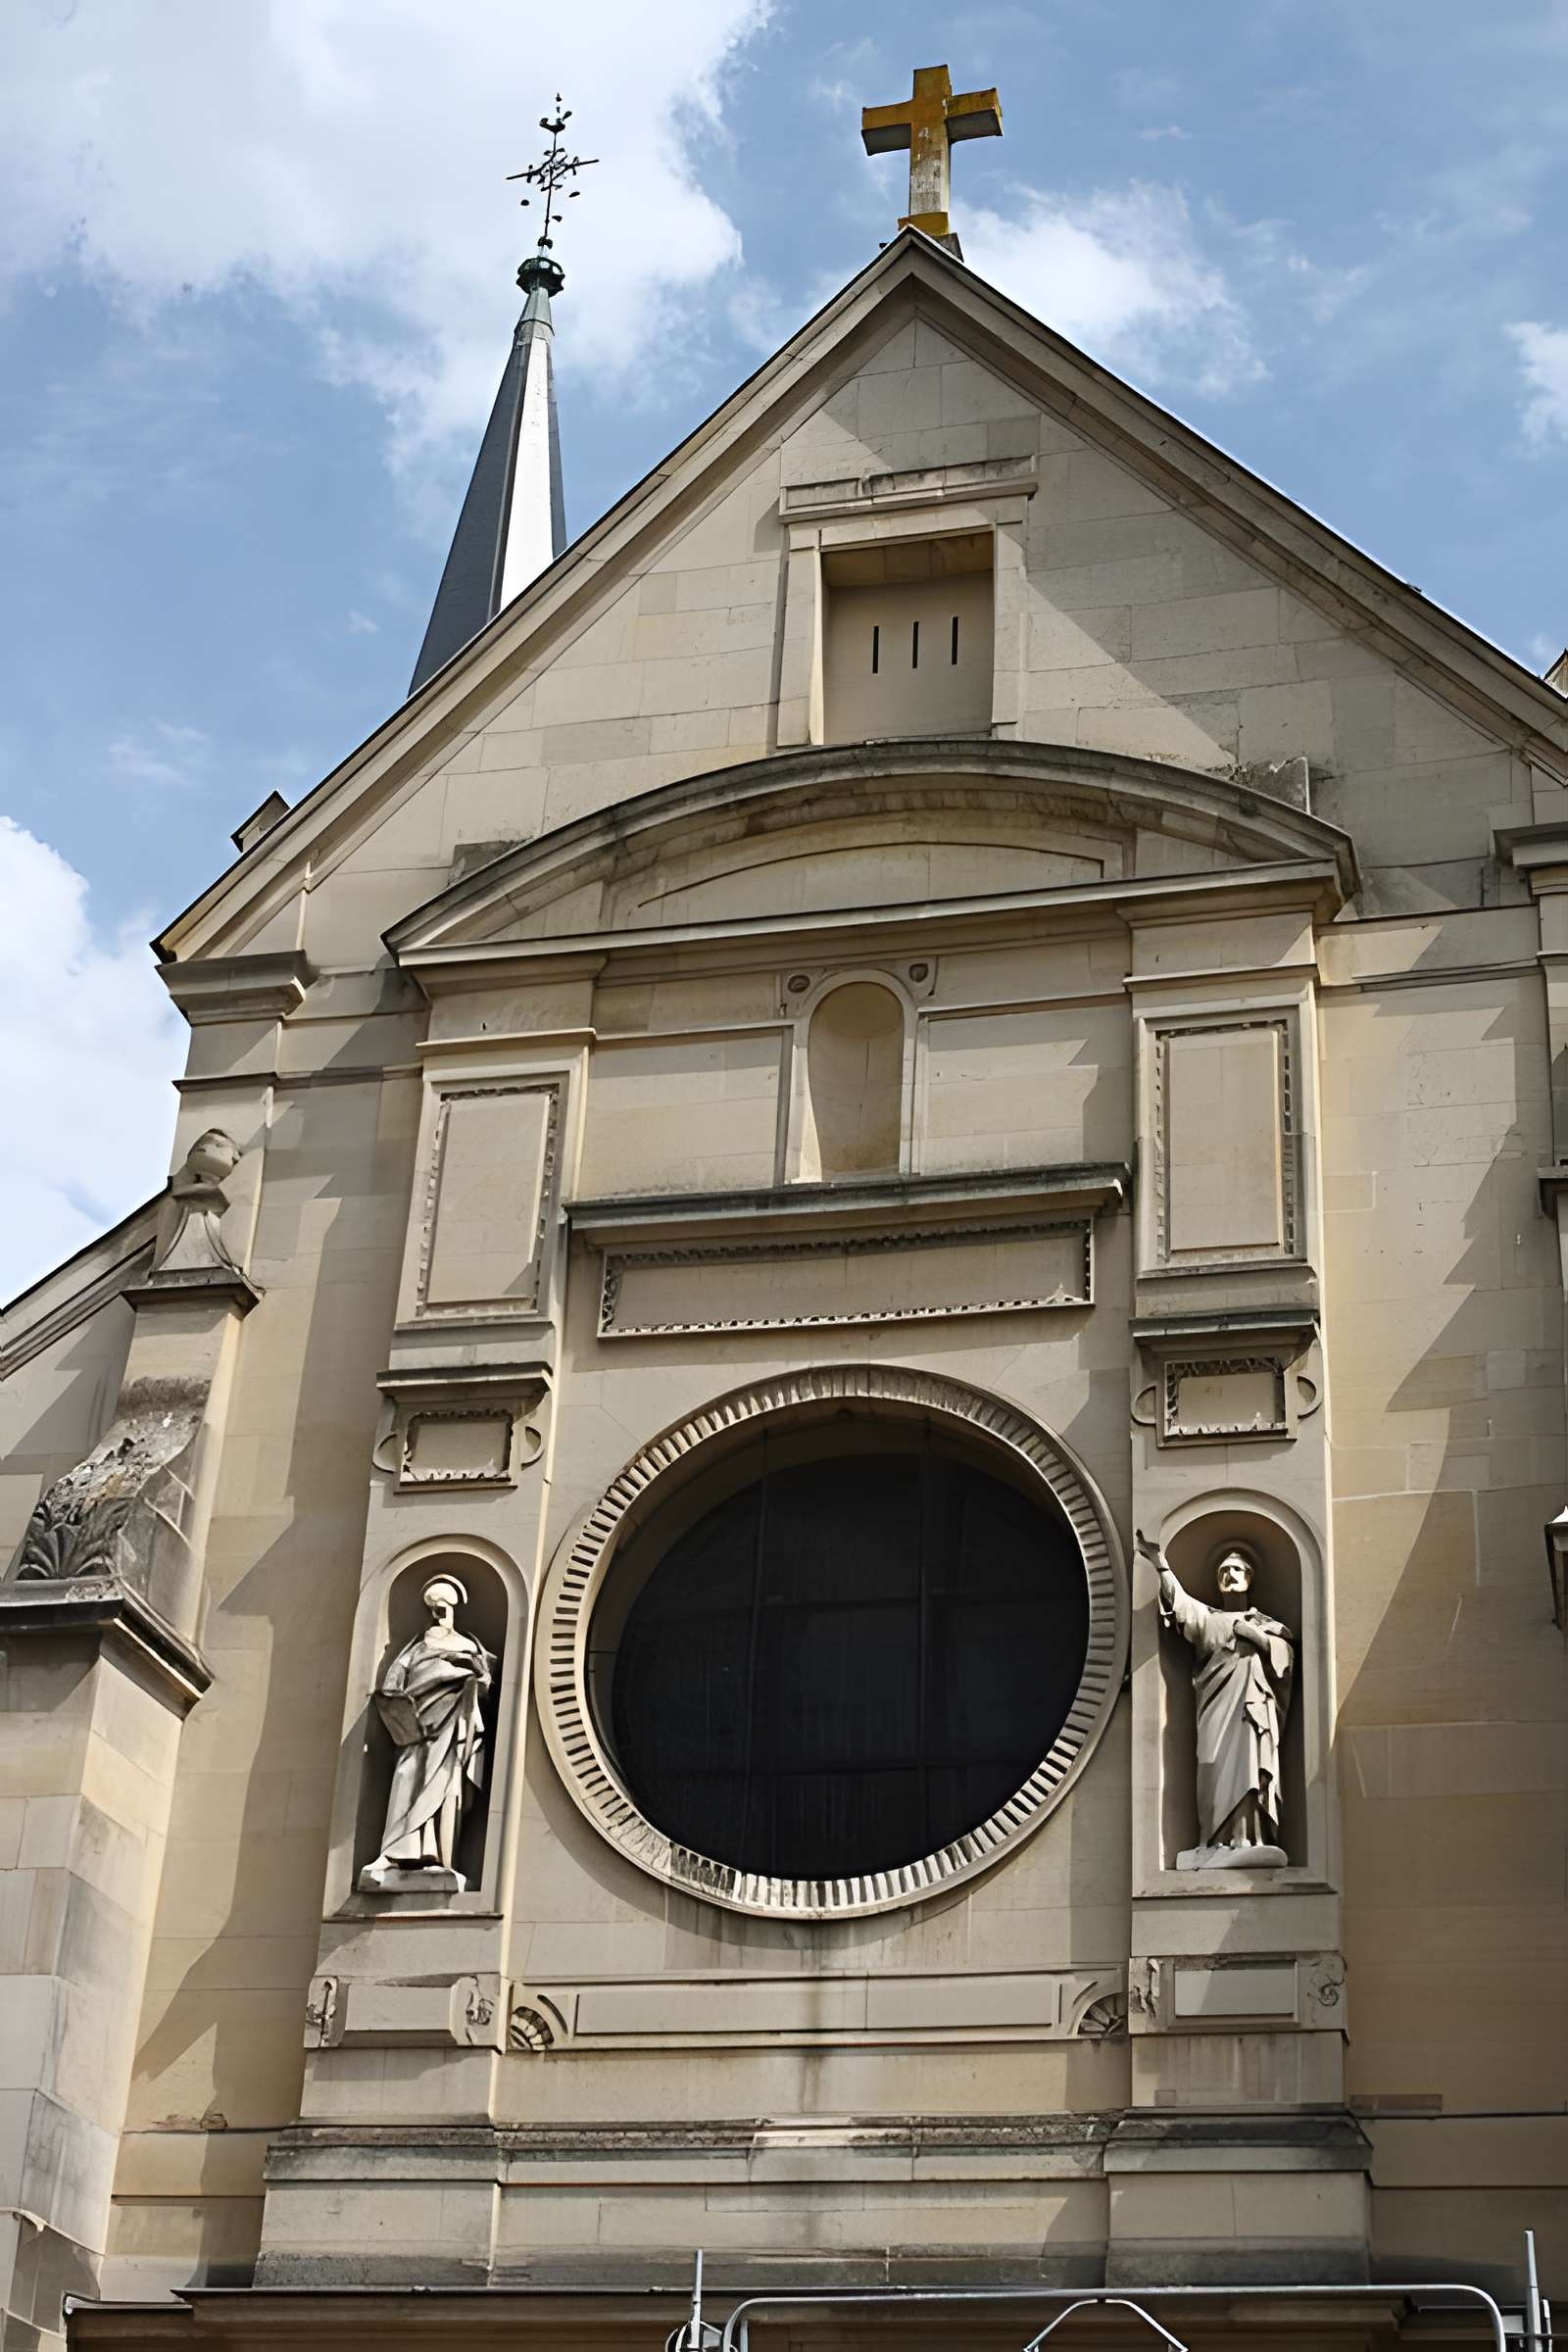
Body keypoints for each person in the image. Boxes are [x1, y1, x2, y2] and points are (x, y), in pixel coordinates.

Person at [1136, 1531, 1294, 1858]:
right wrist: (1161, 1564)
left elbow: (1285, 1659)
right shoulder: (1210, 1621)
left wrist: (1257, 1638)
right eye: (1223, 1572)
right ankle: (1213, 1843)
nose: (1228, 1576)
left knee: (1250, 1767)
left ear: (1249, 1578)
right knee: (1210, 1766)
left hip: (1252, 1714)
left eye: (1235, 1570)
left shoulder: (1266, 1624)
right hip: (1214, 1712)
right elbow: (1179, 1604)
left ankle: (1248, 1841)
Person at [364, 1575, 493, 1886]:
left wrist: (465, 1675)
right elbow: (393, 1686)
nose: (439, 1612)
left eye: (444, 1606)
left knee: (447, 1790)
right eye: (434, 1606)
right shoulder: (413, 1651)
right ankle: (395, 1853)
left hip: (451, 1729)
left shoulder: (469, 1647)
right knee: (407, 1782)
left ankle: (439, 1857)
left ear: (453, 1608)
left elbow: (486, 1681)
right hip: (415, 1734)